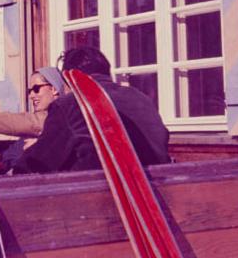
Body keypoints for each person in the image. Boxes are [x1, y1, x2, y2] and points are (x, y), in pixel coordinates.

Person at [12, 46, 170, 174]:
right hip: (156, 190)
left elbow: (38, 161)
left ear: (69, 78)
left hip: (97, 197)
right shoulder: (139, 96)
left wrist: (15, 170)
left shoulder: (71, 104)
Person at [0, 65, 68, 169]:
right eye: (29, 91)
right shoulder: (35, 128)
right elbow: (12, 154)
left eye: (36, 89)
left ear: (53, 89)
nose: (31, 96)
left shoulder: (60, 115)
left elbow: (27, 121)